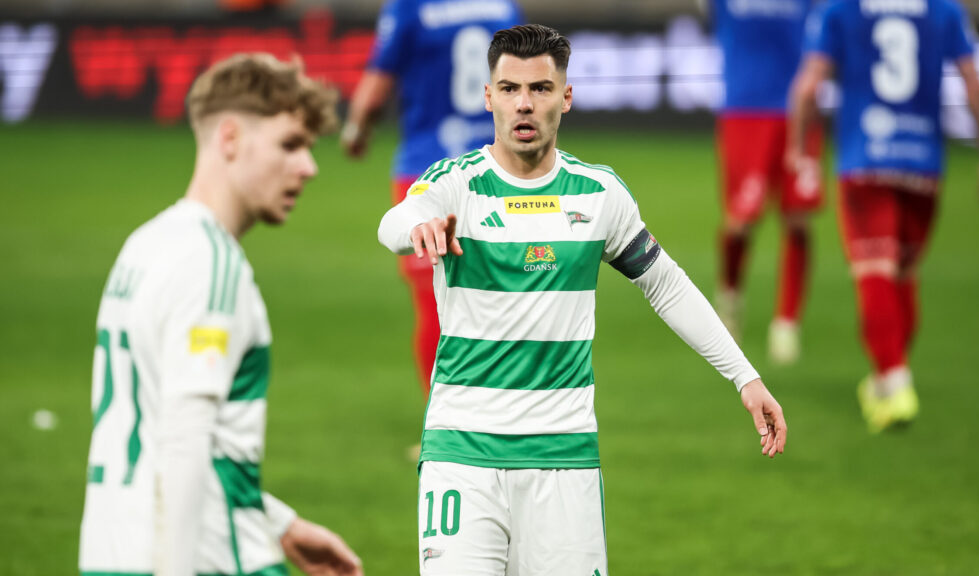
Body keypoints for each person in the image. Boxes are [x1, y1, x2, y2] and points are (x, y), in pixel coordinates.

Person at [378, 24, 788, 575]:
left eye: (541, 89)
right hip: (462, 456)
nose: (524, 103)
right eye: (509, 89)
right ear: (489, 96)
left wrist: (746, 377)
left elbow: (665, 284)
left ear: (565, 97)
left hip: (564, 460)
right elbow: (397, 219)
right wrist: (419, 225)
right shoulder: (458, 184)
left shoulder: (598, 194)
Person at [78, 53, 364, 576]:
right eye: (290, 145)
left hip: (112, 548)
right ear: (229, 139)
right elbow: (185, 436)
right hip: (205, 559)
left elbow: (159, 425)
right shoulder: (212, 265)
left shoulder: (146, 245)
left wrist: (276, 523)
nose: (309, 166)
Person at [789, 0, 979, 432]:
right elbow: (975, 86)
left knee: (875, 272)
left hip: (864, 161)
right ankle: (884, 378)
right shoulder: (942, 8)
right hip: (924, 166)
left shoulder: (841, 8)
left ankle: (895, 379)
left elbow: (809, 87)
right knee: (903, 274)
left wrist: (797, 151)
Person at [343, 0, 523, 397]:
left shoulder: (409, 6)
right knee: (506, 297)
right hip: (498, 167)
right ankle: (505, 414)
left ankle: (443, 423)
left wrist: (355, 132)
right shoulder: (503, 6)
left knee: (435, 303)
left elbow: (374, 91)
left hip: (426, 169)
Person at [710, 0, 823, 364]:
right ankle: (729, 296)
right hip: (745, 111)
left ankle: (786, 323)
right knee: (740, 222)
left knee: (798, 220)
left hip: (798, 112)